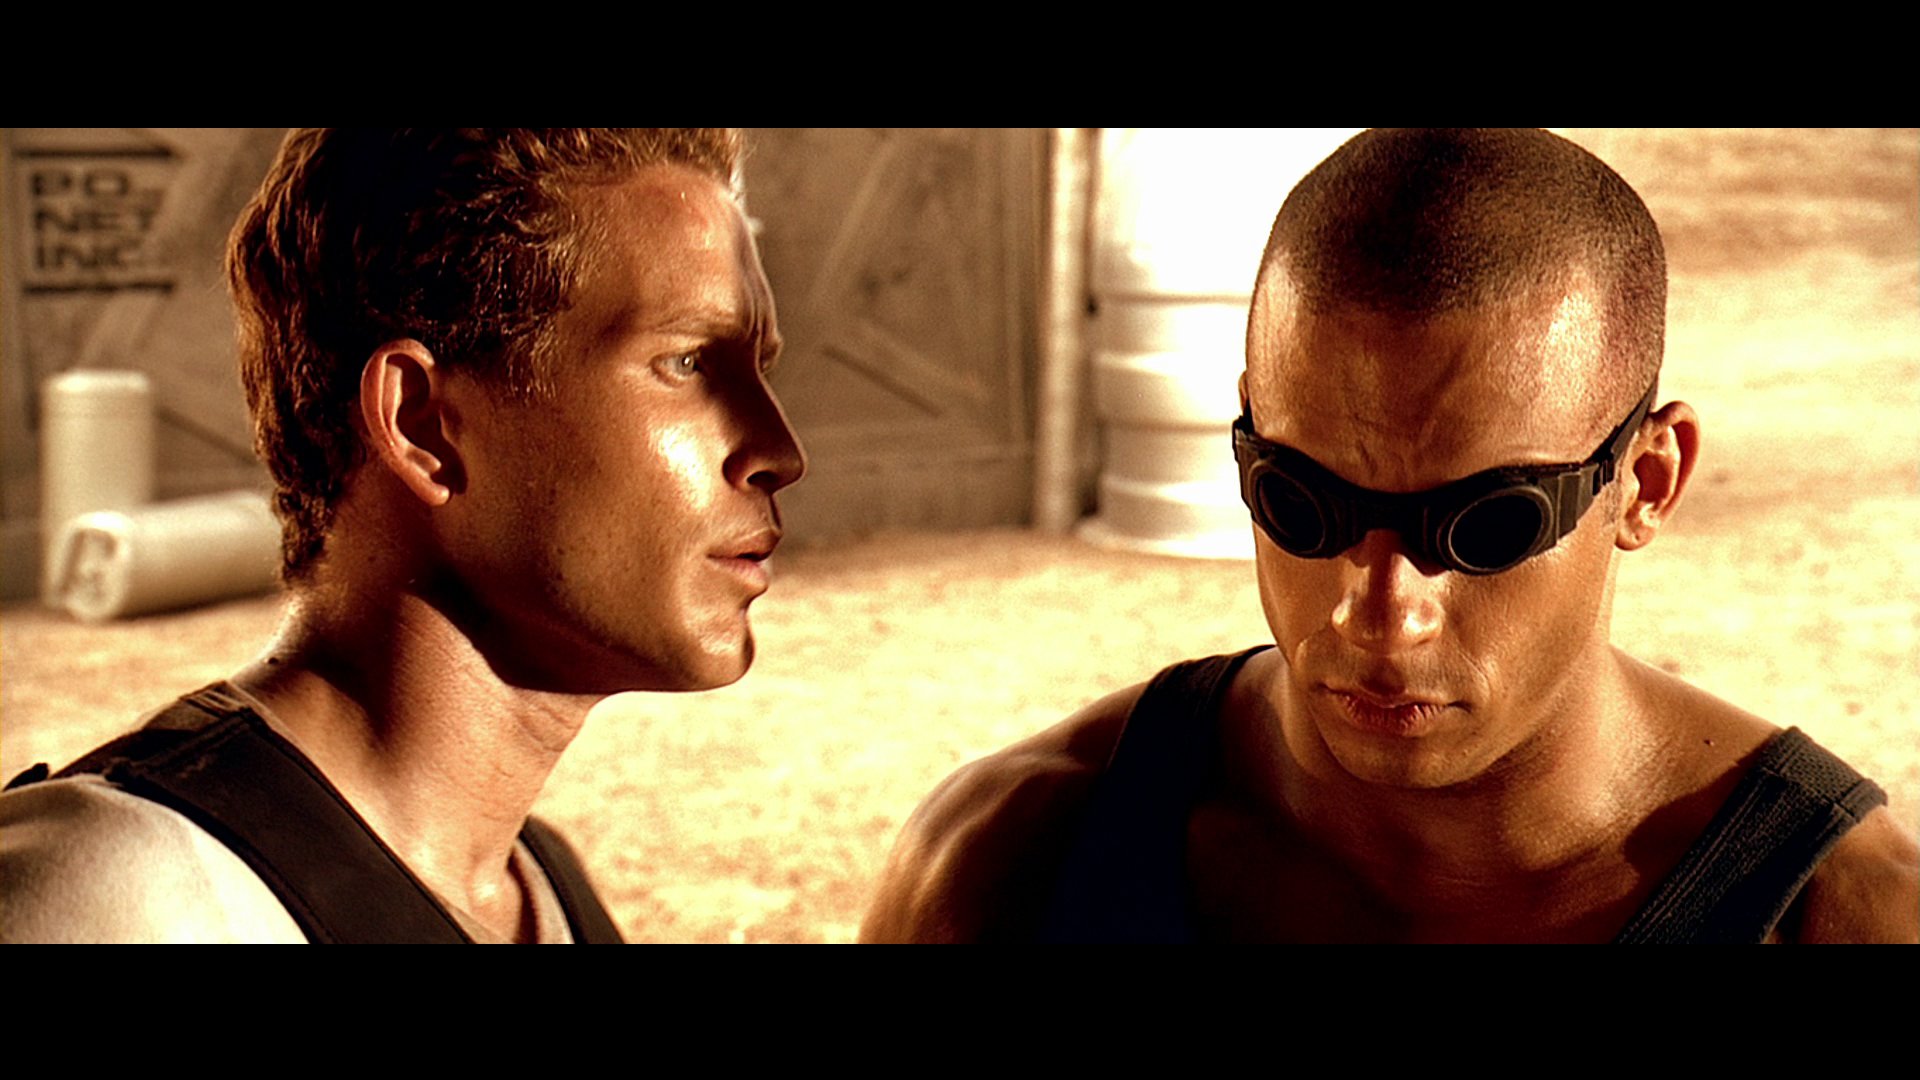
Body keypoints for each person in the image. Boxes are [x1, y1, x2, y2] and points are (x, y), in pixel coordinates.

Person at [862, 128, 1918, 944]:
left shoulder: (1844, 914)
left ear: (1645, 483)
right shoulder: (1014, 861)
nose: (1376, 610)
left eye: (1487, 524)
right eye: (1300, 502)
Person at [1, 128, 805, 943]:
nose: (779, 451)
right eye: (689, 363)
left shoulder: (545, 891)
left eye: (760, 370)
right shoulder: (131, 900)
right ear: (422, 425)